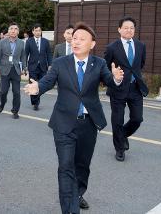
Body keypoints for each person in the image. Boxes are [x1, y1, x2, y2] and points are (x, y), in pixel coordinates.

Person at [24, 22, 124, 214]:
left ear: (92, 44)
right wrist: (37, 88)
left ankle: (78, 193)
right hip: (63, 123)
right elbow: (47, 80)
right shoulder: (61, 63)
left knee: (82, 166)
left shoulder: (99, 64)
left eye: (81, 39)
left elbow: (110, 81)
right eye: (74, 38)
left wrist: (117, 77)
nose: (76, 41)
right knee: (65, 166)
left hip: (88, 124)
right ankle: (70, 209)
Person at [104, 16, 148, 162]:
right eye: (126, 28)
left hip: (135, 88)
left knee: (137, 118)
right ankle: (119, 149)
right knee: (117, 120)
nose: (129, 30)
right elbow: (105, 67)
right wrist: (114, 76)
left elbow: (140, 65)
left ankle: (122, 135)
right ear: (119, 29)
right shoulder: (112, 47)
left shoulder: (141, 45)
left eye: (132, 28)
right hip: (118, 88)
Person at [0, 22, 27, 119]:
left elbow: (23, 57)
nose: (13, 30)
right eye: (11, 28)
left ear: (18, 31)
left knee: (16, 92)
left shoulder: (21, 43)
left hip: (16, 70)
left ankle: (15, 111)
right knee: (3, 91)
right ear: (8, 31)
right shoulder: (2, 42)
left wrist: (24, 68)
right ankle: (2, 104)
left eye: (15, 29)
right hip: (4, 70)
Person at [25, 23, 52, 110]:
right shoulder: (29, 41)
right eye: (36, 30)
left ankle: (37, 99)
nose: (38, 32)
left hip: (43, 67)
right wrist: (25, 66)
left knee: (40, 85)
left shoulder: (45, 41)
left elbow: (49, 54)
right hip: (32, 67)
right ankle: (35, 103)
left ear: (41, 31)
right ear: (33, 31)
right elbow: (26, 54)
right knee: (33, 84)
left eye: (39, 30)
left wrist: (50, 65)